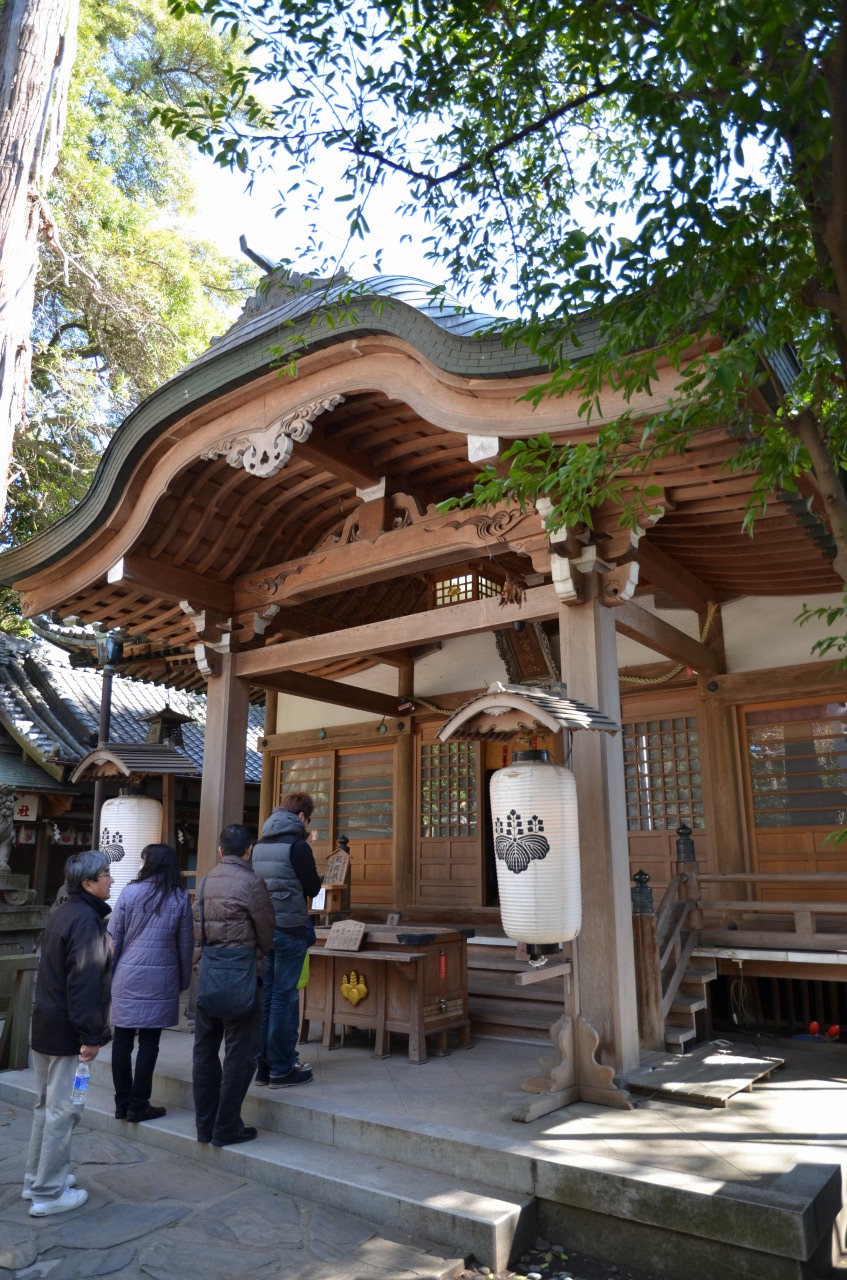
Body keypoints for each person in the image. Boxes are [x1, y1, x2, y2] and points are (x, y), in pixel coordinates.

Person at [23, 849, 113, 1216]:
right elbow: (85, 983)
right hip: (67, 1031)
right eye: (105, 874)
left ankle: (37, 1179)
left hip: (47, 1022)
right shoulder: (86, 921)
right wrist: (91, 1035)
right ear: (88, 883)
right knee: (63, 1111)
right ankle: (48, 1192)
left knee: (47, 1107)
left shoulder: (62, 911)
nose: (110, 879)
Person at [191, 823, 274, 1147]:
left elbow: (197, 931)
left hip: (209, 972)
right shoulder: (252, 883)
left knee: (204, 1050)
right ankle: (226, 1126)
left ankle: (204, 1125)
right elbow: (266, 931)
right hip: (242, 974)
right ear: (249, 850)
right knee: (240, 1052)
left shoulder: (205, 882)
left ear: (220, 851)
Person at [108, 842, 193, 1122]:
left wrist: (109, 975)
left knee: (122, 1040)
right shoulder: (179, 898)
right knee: (149, 1042)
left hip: (127, 976)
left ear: (150, 863)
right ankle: (139, 1104)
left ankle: (122, 1104)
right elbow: (185, 945)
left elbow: (113, 939)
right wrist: (183, 980)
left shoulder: (129, 892)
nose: (140, 864)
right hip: (161, 977)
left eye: (143, 860)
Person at [252, 793, 321, 1088]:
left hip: (264, 929)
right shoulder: (297, 846)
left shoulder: (258, 846)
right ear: (302, 816)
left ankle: (264, 1067)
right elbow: (313, 888)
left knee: (268, 998)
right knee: (284, 997)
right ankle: (282, 1068)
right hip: (290, 928)